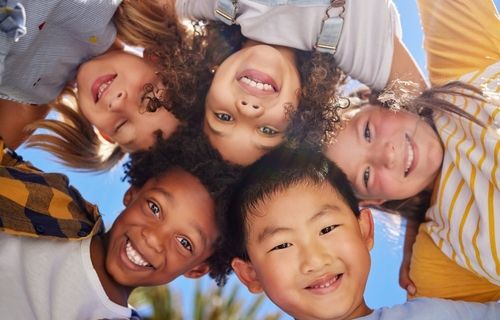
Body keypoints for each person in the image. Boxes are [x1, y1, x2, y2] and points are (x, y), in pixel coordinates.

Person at [287, 0, 500, 302]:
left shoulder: (461, 69)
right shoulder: (441, 255)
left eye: (368, 132)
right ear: (375, 200)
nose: (385, 156)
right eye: (366, 174)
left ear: (380, 100)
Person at [215, 146, 500, 320]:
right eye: (282, 245)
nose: (314, 259)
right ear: (250, 274)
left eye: (327, 228)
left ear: (365, 230)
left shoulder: (436, 316)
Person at [0, 127, 242, 319]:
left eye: (184, 242)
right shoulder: (54, 201)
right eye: (155, 208)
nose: (153, 238)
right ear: (132, 194)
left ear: (196, 269)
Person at [173, 0, 426, 166]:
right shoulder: (353, 44)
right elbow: (435, 113)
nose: (248, 110)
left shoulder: (214, 4)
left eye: (223, 117)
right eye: (268, 131)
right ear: (302, 119)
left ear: (205, 82)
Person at [0, 0, 204, 171]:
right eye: (145, 95)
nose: (118, 104)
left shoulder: (34, 96)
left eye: (121, 125)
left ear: (103, 133)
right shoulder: (116, 7)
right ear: (157, 59)